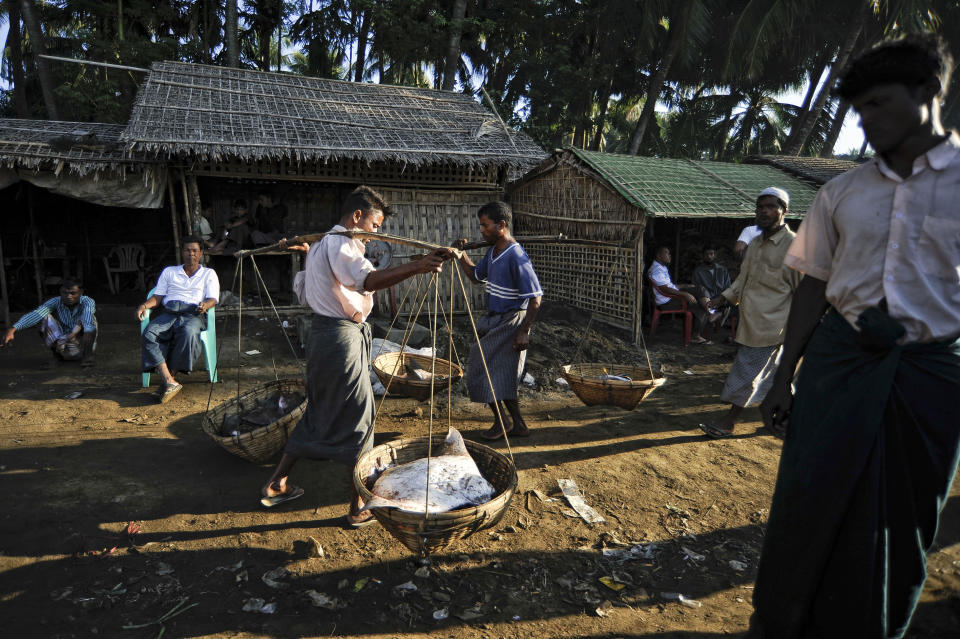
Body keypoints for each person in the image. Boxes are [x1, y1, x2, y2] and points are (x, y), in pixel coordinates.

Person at [750, 34, 960, 639]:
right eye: (860, 108)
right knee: (806, 496)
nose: (867, 121)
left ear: (928, 93)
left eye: (881, 103)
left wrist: (921, 325)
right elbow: (813, 287)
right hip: (838, 365)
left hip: (929, 376)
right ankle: (783, 620)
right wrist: (783, 376)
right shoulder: (842, 193)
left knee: (903, 513)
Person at [261, 186, 451, 527]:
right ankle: (358, 505)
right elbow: (368, 280)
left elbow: (305, 292)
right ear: (357, 217)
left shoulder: (319, 247)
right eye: (374, 225)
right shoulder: (343, 243)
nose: (375, 233)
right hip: (340, 340)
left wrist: (307, 251)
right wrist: (419, 266)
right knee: (362, 420)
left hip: (321, 337)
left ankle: (277, 482)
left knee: (319, 408)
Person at [699, 187, 801, 438]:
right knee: (778, 379)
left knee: (746, 371)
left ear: (784, 211)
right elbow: (742, 281)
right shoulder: (755, 244)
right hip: (751, 321)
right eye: (760, 207)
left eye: (770, 206)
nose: (763, 211)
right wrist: (721, 299)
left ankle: (729, 421)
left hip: (773, 324)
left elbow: (804, 290)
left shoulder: (795, 246)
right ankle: (791, 420)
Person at [452, 201, 543, 441]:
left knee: (480, 366)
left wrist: (525, 332)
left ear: (501, 225)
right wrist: (460, 255)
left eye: (485, 225)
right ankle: (519, 425)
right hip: (496, 320)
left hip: (512, 321)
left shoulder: (516, 255)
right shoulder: (493, 252)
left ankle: (502, 421)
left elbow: (535, 298)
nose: (481, 230)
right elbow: (475, 276)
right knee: (502, 374)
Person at [138, 236, 220, 404]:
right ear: (182, 252)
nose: (191, 254)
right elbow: (157, 297)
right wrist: (145, 306)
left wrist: (205, 305)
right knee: (149, 333)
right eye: (187, 250)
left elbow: (213, 298)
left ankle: (170, 378)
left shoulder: (208, 273)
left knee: (188, 333)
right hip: (170, 312)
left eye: (195, 251)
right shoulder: (170, 272)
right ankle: (169, 380)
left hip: (193, 313)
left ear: (201, 253)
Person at [2, 278, 97, 367]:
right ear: (60, 292)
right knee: (44, 319)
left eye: (73, 293)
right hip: (63, 339)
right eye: (65, 293)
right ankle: (57, 356)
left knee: (90, 320)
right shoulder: (55, 301)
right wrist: (13, 329)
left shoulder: (88, 301)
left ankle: (87, 356)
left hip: (80, 337)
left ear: (81, 292)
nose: (69, 296)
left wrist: (70, 336)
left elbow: (87, 321)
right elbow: (37, 314)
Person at [648, 246, 716, 344]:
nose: (670, 255)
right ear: (659, 256)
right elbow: (664, 289)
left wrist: (684, 286)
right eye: (667, 253)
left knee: (700, 290)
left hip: (669, 297)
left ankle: (708, 313)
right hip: (667, 302)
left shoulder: (661, 267)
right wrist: (685, 294)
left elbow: (669, 286)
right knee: (698, 303)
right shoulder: (656, 269)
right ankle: (709, 314)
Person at [691, 246, 733, 340]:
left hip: (721, 299)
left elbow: (728, 287)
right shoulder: (698, 271)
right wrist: (709, 300)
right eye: (706, 254)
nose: (709, 256)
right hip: (707, 300)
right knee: (706, 311)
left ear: (715, 255)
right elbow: (697, 289)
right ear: (703, 256)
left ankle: (720, 312)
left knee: (733, 298)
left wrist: (721, 298)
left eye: (711, 254)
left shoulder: (722, 270)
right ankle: (719, 313)